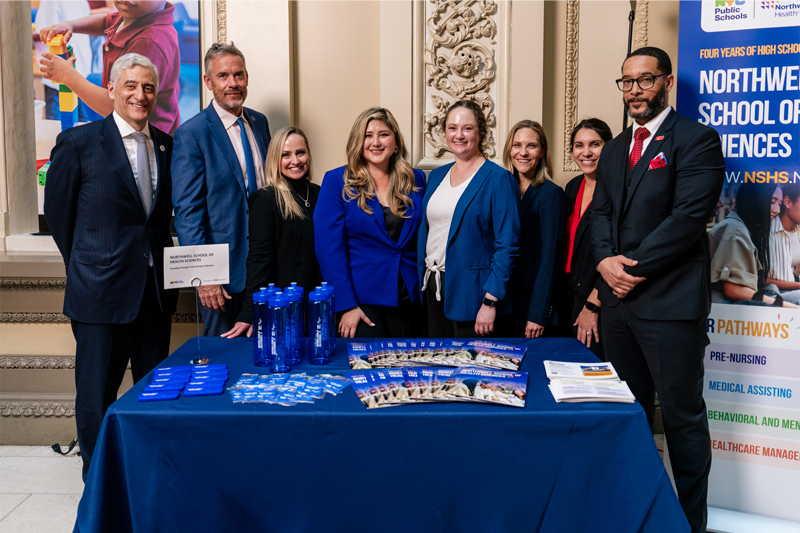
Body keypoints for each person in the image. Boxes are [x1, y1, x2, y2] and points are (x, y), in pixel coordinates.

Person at [589, 46, 724, 533]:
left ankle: (688, 524)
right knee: (628, 418)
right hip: (618, 309)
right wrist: (605, 261)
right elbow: (598, 213)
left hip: (669, 307)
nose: (634, 91)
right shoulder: (614, 147)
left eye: (644, 81)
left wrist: (632, 269)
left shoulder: (697, 139)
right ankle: (638, 516)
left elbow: (688, 219)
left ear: (665, 83)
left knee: (683, 421)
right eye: (627, 82)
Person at [43, 54, 178, 481]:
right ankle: (99, 487)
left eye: (149, 88)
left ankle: (144, 479)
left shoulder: (165, 144)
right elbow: (61, 220)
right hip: (99, 294)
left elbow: (157, 220)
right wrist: (90, 268)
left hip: (154, 296)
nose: (141, 95)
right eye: (132, 86)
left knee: (153, 397)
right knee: (96, 399)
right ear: (113, 87)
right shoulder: (79, 143)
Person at [172, 43, 271, 337]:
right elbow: (188, 213)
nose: (232, 84)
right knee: (223, 357)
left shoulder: (259, 122)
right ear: (208, 82)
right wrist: (204, 276)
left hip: (264, 267)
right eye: (223, 76)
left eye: (238, 75)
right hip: (222, 277)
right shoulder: (192, 133)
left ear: (247, 78)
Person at [314, 107, 426, 338]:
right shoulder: (337, 181)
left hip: (410, 299)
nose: (375, 142)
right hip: (362, 303)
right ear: (358, 142)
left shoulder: (416, 179)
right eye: (367, 135)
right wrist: (347, 305)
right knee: (371, 370)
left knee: (409, 371)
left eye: (383, 134)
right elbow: (328, 250)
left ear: (395, 141)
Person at [419, 100, 520, 338]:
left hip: (474, 295)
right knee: (439, 371)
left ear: (481, 133)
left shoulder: (498, 179)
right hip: (433, 288)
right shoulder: (435, 176)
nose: (459, 135)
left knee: (471, 372)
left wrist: (490, 302)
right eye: (452, 128)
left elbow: (507, 246)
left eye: (467, 128)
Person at [221, 126, 322, 338]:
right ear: (275, 159)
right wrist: (249, 311)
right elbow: (259, 259)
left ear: (309, 155)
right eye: (286, 155)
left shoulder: (320, 193)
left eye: (300, 152)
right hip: (285, 304)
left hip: (319, 300)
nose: (295, 160)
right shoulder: (265, 199)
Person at [37, 0, 181, 135]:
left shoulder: (149, 43)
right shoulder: (133, 17)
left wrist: (67, 76)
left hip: (144, 145)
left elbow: (119, 107)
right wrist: (71, 25)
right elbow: (106, 22)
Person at [501, 120, 565, 338]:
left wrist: (538, 314)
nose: (523, 152)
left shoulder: (551, 194)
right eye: (517, 145)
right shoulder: (502, 190)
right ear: (509, 150)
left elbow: (551, 259)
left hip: (532, 306)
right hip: (503, 302)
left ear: (542, 152)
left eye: (531, 146)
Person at [561, 118, 613, 359]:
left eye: (595, 144)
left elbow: (619, 254)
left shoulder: (617, 192)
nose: (586, 153)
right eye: (579, 145)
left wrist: (593, 305)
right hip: (569, 294)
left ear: (609, 147)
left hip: (598, 299)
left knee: (592, 373)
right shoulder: (572, 187)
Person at [710, 184, 800, 307]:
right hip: (726, 307)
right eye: (772, 202)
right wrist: (786, 305)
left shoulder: (743, 228)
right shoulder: (736, 230)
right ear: (755, 200)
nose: (777, 210)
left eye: (779, 204)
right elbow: (733, 290)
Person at [33, 0, 93, 122]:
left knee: (58, 122)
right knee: (80, 118)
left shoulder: (50, 2)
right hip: (78, 66)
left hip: (59, 71)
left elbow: (46, 34)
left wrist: (24, 34)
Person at [768, 183, 800, 291]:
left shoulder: (798, 231)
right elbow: (759, 279)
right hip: (773, 296)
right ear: (787, 202)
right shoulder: (767, 231)